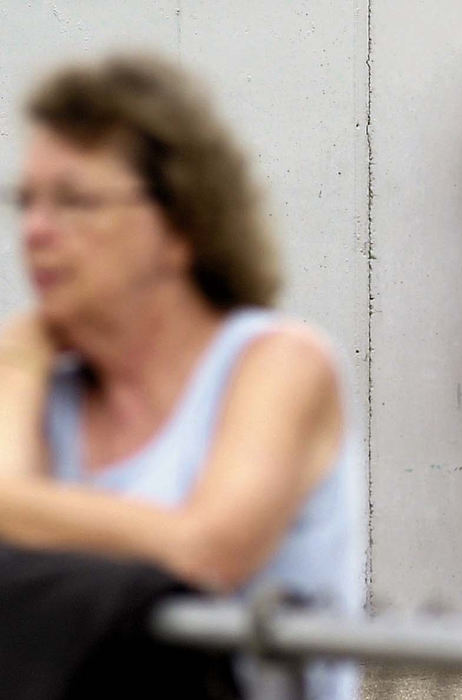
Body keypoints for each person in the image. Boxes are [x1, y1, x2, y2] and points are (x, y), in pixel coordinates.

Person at [0, 54, 363, 700]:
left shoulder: (278, 365)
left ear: (180, 227)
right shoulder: (39, 385)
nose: (35, 231)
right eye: (25, 202)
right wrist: (20, 368)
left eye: (74, 201)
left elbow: (206, 554)